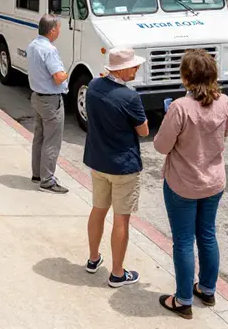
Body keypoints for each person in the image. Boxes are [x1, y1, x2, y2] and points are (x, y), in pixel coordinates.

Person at [154, 49, 228, 319]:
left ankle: (183, 299)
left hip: (183, 184)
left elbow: (161, 145)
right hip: (213, 181)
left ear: (186, 77)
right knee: (208, 234)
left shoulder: (179, 107)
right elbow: (223, 135)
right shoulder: (225, 102)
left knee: (184, 241)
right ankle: (208, 289)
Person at [83, 48, 149, 288]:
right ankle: (118, 273)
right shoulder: (130, 97)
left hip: (98, 160)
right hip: (123, 166)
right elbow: (144, 131)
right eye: (133, 67)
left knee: (98, 209)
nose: (136, 70)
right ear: (122, 69)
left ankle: (93, 258)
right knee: (121, 219)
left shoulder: (93, 87)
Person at [26, 15, 69, 194]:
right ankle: (48, 181)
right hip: (51, 100)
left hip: (37, 96)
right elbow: (58, 77)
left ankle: (38, 173)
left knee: (40, 137)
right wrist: (66, 73)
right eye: (58, 28)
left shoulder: (33, 45)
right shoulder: (49, 50)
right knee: (52, 140)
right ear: (52, 30)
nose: (59, 31)